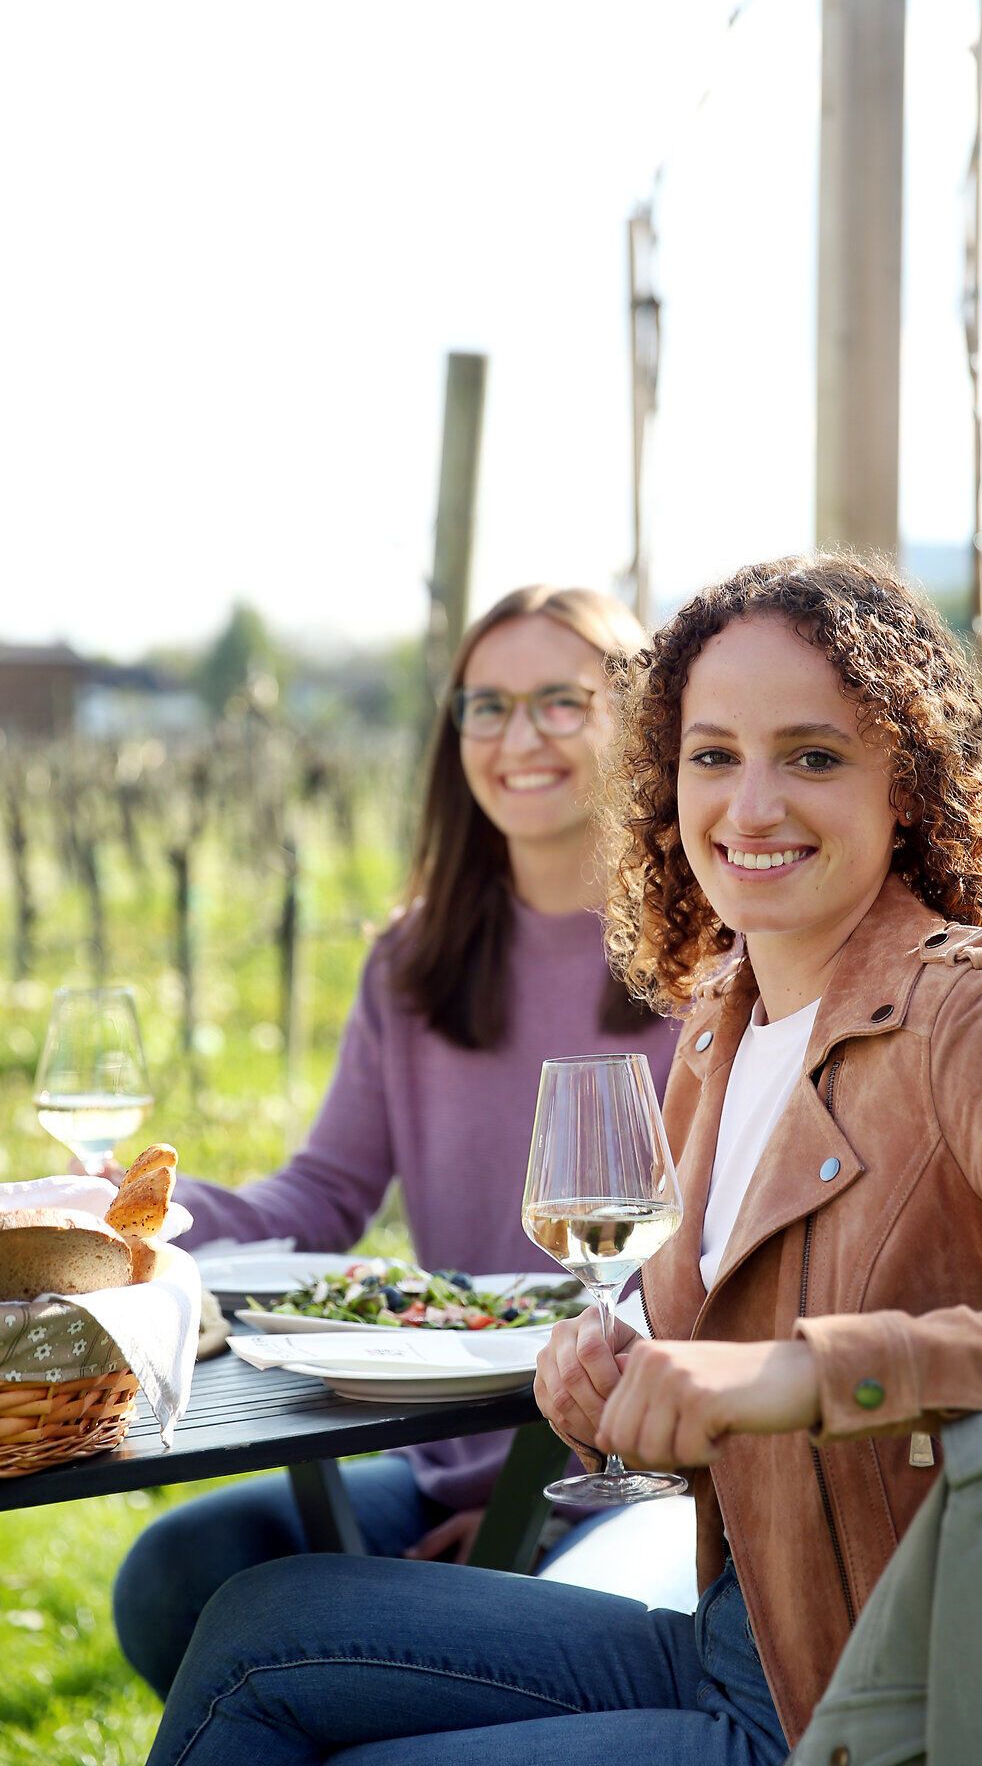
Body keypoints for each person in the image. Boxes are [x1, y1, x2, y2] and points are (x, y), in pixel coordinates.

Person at [142, 553, 982, 1766]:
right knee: (256, 1622)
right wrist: (612, 1391)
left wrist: (805, 1378)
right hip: (742, 1641)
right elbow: (704, 1380)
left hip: (890, 1700)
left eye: (813, 756)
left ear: (906, 785)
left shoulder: (970, 1018)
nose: (749, 807)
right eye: (712, 756)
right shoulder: (721, 1023)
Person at [114, 583, 676, 1701]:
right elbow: (319, 1198)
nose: (519, 738)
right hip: (447, 1454)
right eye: (486, 705)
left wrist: (530, 1506)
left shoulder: (706, 961)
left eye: (563, 703)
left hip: (639, 1471)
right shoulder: (412, 965)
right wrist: (115, 1209)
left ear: (639, 720)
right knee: (180, 1574)